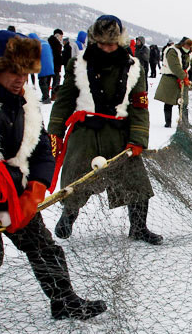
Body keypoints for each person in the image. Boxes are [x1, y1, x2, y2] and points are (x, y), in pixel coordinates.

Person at [0, 30, 106, 326]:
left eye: (25, 72)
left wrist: (35, 190)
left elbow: (40, 150)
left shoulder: (25, 101)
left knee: (42, 245)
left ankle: (63, 301)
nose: (19, 79)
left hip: (13, 188)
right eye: (12, 71)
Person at [48, 15, 161, 244]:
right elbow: (64, 102)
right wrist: (55, 132)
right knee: (75, 183)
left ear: (120, 42)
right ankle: (68, 216)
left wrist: (138, 139)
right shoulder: (77, 65)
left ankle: (138, 227)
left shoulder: (133, 68)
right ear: (94, 41)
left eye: (112, 44)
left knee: (137, 183)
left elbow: (139, 107)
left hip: (120, 136)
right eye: (102, 44)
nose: (107, 49)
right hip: (85, 135)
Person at [155, 36, 192, 130]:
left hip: (182, 79)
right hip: (170, 79)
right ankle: (168, 122)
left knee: (184, 102)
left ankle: (185, 123)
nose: (188, 48)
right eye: (187, 46)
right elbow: (175, 66)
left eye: (190, 47)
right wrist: (184, 77)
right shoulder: (172, 51)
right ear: (182, 44)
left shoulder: (189, 54)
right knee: (169, 101)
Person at [31, 33, 55, 104]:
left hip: (43, 65)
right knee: (47, 81)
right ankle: (45, 97)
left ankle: (46, 98)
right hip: (50, 64)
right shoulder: (45, 43)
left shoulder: (36, 45)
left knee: (42, 82)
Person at [47, 29, 64, 99]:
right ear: (58, 35)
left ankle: (46, 95)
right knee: (56, 80)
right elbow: (57, 56)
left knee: (48, 80)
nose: (61, 38)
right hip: (56, 65)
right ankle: (54, 96)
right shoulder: (57, 44)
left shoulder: (49, 42)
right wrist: (62, 60)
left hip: (49, 64)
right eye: (61, 36)